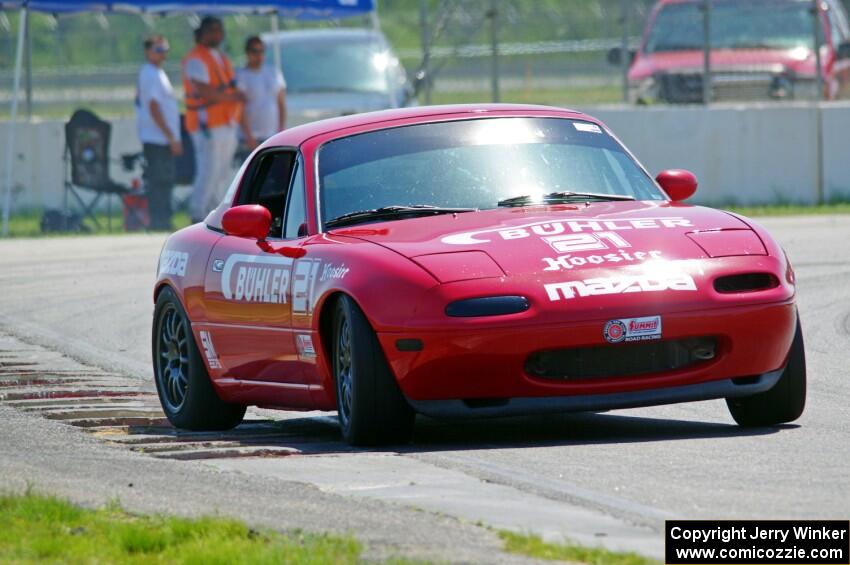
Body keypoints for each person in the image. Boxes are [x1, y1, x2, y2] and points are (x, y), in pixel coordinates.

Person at [181, 16, 245, 223]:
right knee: (208, 170)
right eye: (212, 30)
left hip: (226, 122)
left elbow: (230, 85)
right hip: (206, 124)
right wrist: (232, 97)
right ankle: (197, 213)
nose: (216, 34)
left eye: (219, 30)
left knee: (222, 172)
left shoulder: (220, 57)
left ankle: (215, 213)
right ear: (201, 33)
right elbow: (205, 91)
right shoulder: (195, 59)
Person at [135, 35, 182, 231]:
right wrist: (171, 137)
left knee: (164, 181)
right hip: (158, 139)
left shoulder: (157, 73)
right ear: (148, 52)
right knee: (159, 182)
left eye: (164, 49)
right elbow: (154, 107)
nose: (162, 53)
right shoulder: (151, 74)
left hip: (160, 138)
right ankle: (159, 221)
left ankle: (162, 220)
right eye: (158, 49)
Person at [236, 36, 287, 150]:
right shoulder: (240, 75)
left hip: (272, 136)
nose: (258, 55)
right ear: (247, 52)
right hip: (250, 138)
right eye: (254, 51)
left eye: (261, 51)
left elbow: (281, 103)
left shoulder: (273, 72)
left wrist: (281, 130)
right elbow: (239, 108)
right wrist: (248, 136)